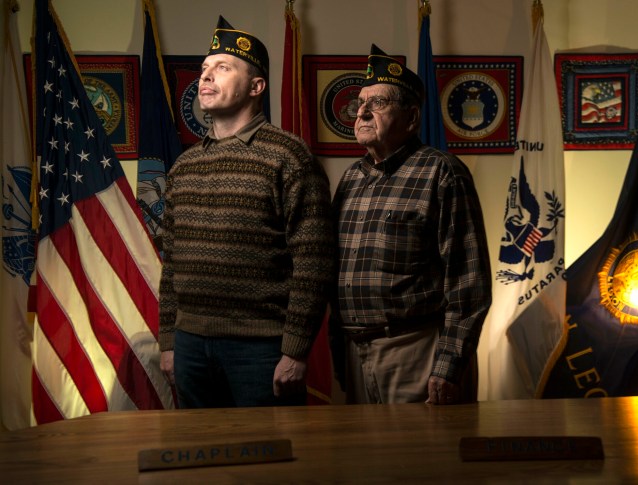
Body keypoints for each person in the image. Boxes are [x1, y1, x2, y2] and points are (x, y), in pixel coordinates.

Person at [158, 16, 335, 408]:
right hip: (189, 346)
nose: (206, 76)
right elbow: (171, 265)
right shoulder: (183, 167)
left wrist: (296, 350)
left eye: (223, 68)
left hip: (262, 350)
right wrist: (169, 340)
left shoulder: (289, 156)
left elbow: (314, 261)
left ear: (257, 86)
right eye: (205, 69)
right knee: (200, 458)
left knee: (270, 464)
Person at [330, 45, 492, 405]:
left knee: (422, 459)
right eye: (360, 103)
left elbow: (469, 281)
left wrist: (449, 364)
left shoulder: (442, 172)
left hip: (415, 350)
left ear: (412, 118)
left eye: (379, 103)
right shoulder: (351, 178)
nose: (363, 112)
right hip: (354, 351)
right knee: (366, 462)